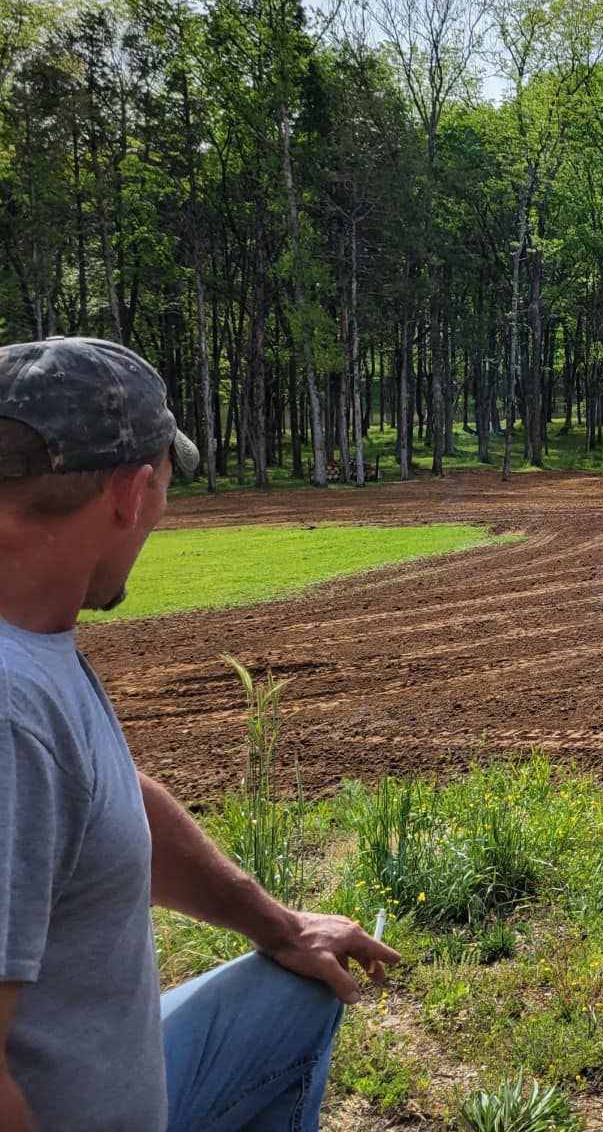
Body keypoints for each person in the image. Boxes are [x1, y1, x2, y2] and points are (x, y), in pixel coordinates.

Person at [0, 337, 398, 1132]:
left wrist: (281, 927)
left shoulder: (32, 642)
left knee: (296, 989)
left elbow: (110, 799)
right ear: (132, 490)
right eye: (167, 488)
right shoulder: (11, 714)